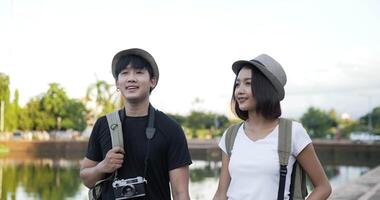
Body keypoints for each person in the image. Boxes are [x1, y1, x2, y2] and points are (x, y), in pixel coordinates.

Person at [213, 54, 331, 200]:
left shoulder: (292, 133)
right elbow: (221, 193)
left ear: (265, 88)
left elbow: (323, 187)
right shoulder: (231, 135)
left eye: (248, 83)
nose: (239, 91)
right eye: (237, 84)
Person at [80, 48, 192, 200]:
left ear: (153, 81)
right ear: (117, 83)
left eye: (139, 72)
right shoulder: (104, 124)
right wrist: (103, 166)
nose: (131, 78)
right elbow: (86, 179)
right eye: (124, 73)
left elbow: (180, 193)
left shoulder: (170, 128)